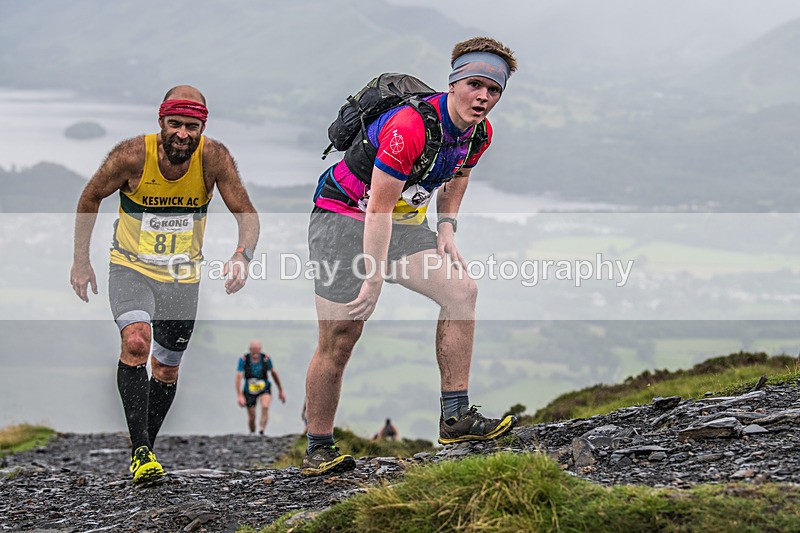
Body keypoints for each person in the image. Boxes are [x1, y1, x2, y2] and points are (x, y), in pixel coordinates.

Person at [303, 37, 519, 476]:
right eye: (475, 84)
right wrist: (374, 275)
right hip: (342, 219)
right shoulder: (409, 126)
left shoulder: (479, 132)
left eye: (494, 90)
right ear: (455, 82)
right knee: (341, 335)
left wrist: (446, 226)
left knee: (462, 292)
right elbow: (377, 208)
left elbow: (460, 173)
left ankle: (455, 417)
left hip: (399, 225)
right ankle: (318, 447)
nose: (483, 97)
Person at [69, 85, 259, 484]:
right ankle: (140, 451)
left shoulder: (214, 159)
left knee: (166, 370)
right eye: (175, 124)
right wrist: (81, 260)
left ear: (202, 127)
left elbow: (247, 213)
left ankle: (145, 450)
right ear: (161, 123)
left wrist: (242, 255)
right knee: (136, 341)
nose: (183, 134)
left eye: (192, 126)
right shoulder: (132, 156)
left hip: (181, 279)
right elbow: (90, 196)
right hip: (131, 268)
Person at [236, 339, 286, 434]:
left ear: (260, 349)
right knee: (252, 417)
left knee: (265, 406)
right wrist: (240, 396)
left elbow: (274, 373)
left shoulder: (265, 359)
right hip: (249, 390)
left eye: (257, 349)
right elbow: (238, 376)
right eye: (253, 349)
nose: (255, 352)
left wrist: (281, 390)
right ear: (250, 349)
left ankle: (261, 430)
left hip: (264, 388)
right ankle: (253, 432)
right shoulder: (244, 359)